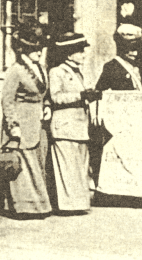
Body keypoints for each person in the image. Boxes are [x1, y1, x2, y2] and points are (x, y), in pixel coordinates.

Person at [92, 22, 142, 209]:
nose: (134, 53)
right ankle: (111, 194)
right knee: (118, 160)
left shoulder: (141, 69)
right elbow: (101, 92)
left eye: (136, 49)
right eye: (129, 49)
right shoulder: (112, 67)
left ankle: (137, 193)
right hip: (118, 125)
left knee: (136, 159)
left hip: (135, 125)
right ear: (121, 49)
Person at [0, 18, 52, 218]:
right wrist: (13, 127)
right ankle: (25, 206)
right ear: (23, 50)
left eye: (40, 48)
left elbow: (45, 94)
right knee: (23, 166)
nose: (39, 52)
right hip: (21, 122)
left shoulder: (41, 68)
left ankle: (4, 200)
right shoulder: (15, 70)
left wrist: (48, 106)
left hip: (37, 123)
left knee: (35, 163)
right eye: (34, 49)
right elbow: (7, 101)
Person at [47, 31, 100, 215]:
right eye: (79, 51)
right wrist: (80, 95)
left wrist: (90, 97)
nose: (83, 55)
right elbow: (55, 97)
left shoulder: (79, 73)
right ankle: (67, 205)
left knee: (79, 167)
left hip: (79, 125)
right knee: (67, 167)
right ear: (69, 53)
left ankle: (78, 203)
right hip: (65, 125)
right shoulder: (57, 72)